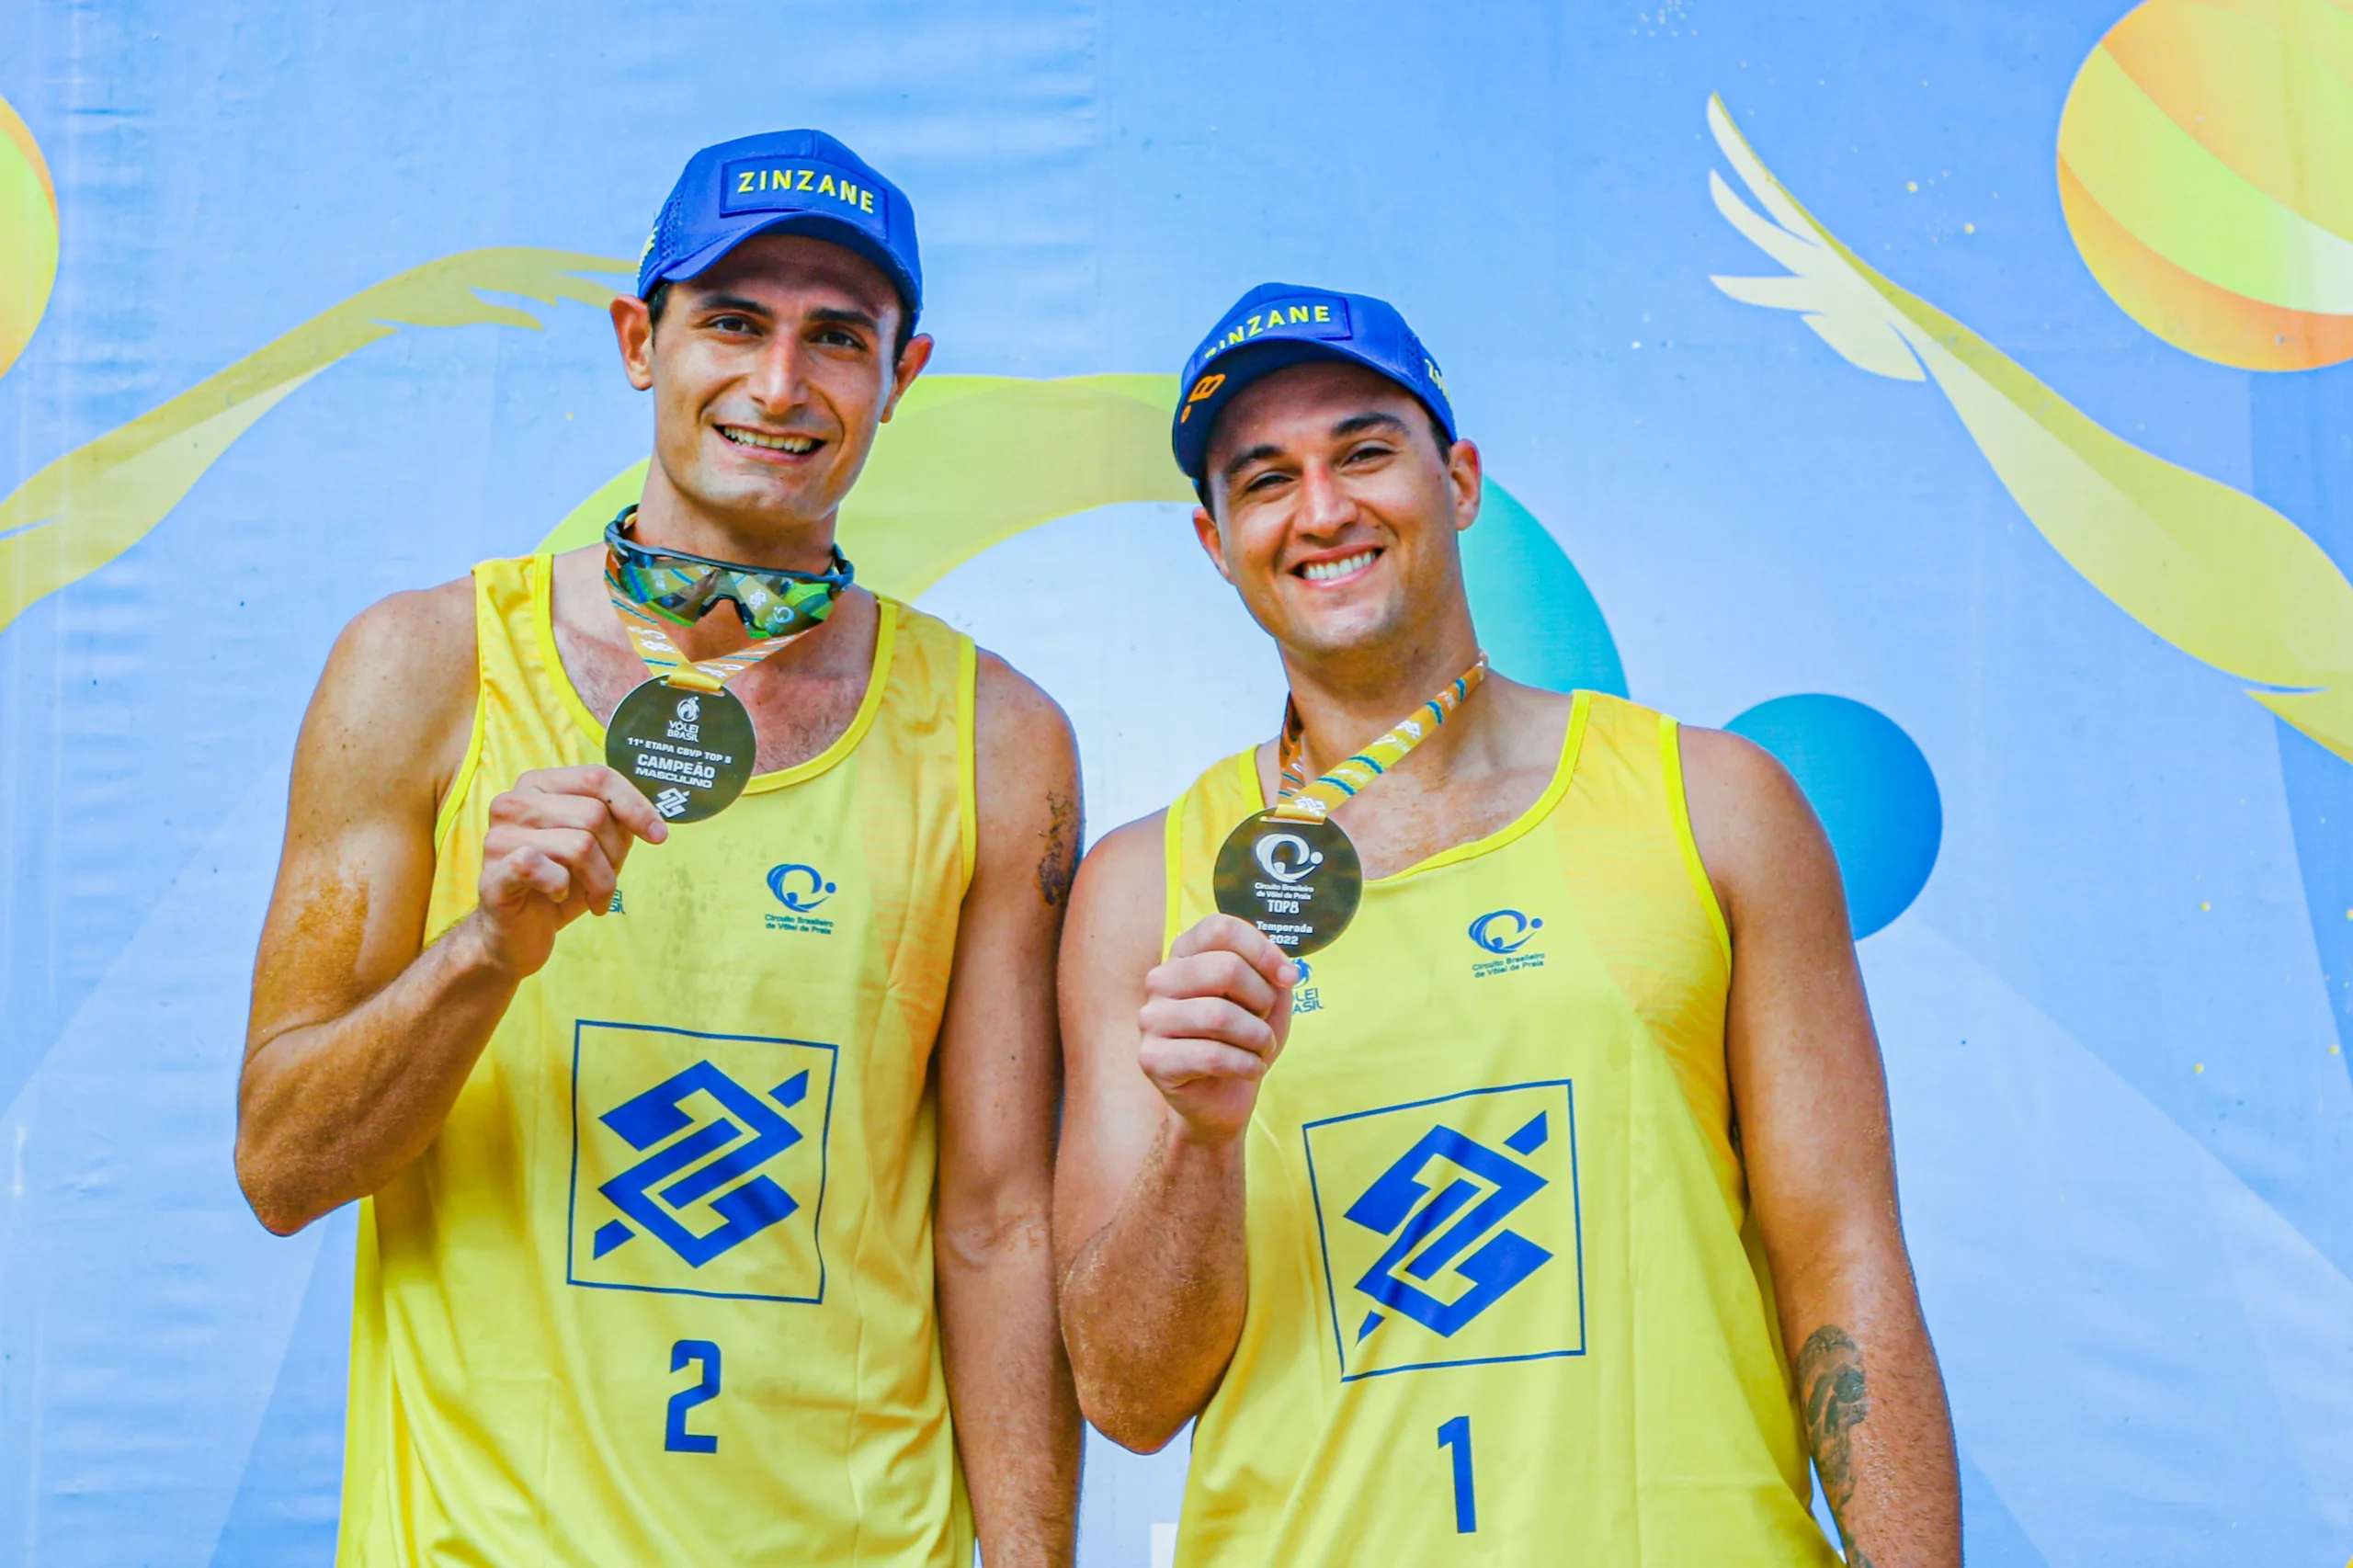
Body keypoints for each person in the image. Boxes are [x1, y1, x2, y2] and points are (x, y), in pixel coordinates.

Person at [237, 130, 1080, 1567]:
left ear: (902, 376)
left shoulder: (999, 736)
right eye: (734, 323)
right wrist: (484, 952)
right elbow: (284, 1165)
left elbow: (997, 1225)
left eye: (836, 338)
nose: (777, 383)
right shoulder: (428, 667)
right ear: (641, 339)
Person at [1054, 282, 1961, 1566]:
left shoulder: (1715, 805)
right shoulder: (1148, 889)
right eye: (1266, 479)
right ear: (1216, 543)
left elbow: (1845, 1256)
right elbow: (1129, 1398)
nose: (1323, 509)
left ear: (1460, 479)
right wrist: (1201, 1139)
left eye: (1365, 451)